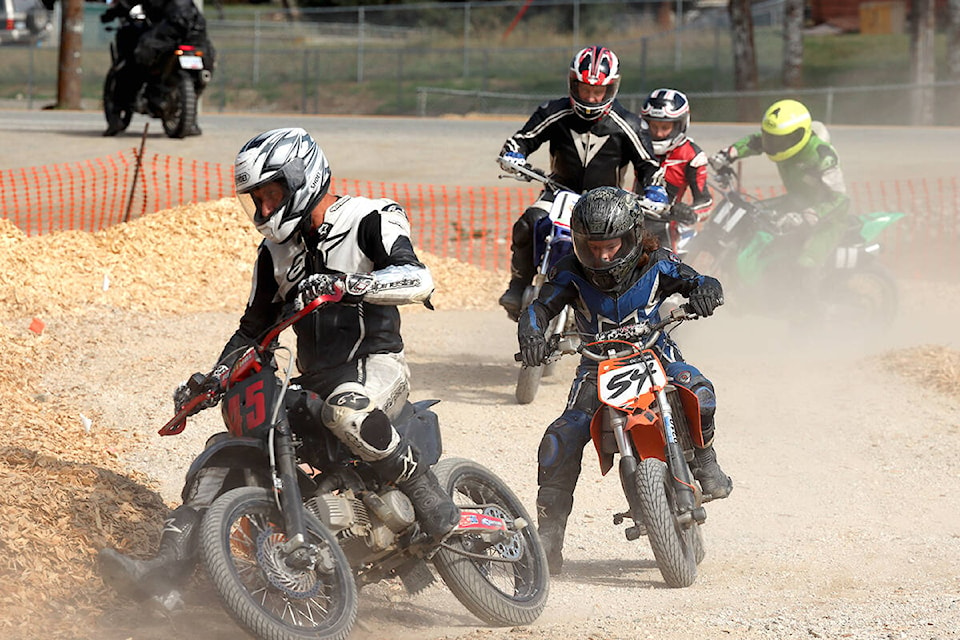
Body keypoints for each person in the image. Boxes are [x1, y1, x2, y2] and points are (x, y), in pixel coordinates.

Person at [98, 127, 460, 605]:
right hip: (313, 382)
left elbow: (417, 278)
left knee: (347, 410)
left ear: (301, 177)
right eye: (257, 200)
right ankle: (165, 574)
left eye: (271, 195)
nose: (264, 210)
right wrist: (210, 379)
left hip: (376, 366)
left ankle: (427, 492)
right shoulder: (273, 253)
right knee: (223, 451)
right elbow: (253, 330)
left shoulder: (372, 216)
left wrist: (347, 284)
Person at [517, 186, 732, 575]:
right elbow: (538, 308)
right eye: (592, 246)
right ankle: (548, 539)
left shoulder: (657, 263)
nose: (601, 255)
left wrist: (706, 292)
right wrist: (532, 334)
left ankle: (705, 461)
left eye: (611, 246)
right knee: (558, 440)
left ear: (632, 237)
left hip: (657, 355)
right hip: (595, 369)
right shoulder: (568, 270)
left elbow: (700, 280)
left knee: (701, 391)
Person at [497, 44, 660, 319]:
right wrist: (514, 153)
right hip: (559, 192)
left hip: (609, 202)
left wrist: (656, 191)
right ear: (573, 84)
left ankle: (623, 306)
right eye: (585, 89)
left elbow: (649, 165)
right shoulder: (554, 111)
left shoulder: (629, 124)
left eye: (599, 91)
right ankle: (518, 285)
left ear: (611, 89)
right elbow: (523, 139)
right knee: (527, 223)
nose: (592, 97)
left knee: (630, 247)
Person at [708, 99, 850, 281]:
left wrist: (809, 215)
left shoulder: (823, 156)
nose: (773, 145)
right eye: (770, 138)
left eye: (780, 140)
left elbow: (841, 200)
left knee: (804, 267)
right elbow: (754, 142)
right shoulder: (778, 141)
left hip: (829, 220)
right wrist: (727, 155)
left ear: (799, 135)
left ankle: (811, 307)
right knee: (752, 216)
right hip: (796, 202)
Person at [100, 0, 215, 136]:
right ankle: (191, 122)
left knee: (134, 61)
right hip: (195, 28)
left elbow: (127, 3)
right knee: (203, 64)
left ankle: (117, 114)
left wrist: (112, 13)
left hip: (170, 26)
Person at [639, 88, 713, 252]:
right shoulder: (637, 143)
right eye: (654, 126)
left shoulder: (692, 155)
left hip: (666, 226)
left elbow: (705, 202)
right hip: (631, 216)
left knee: (663, 266)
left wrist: (688, 212)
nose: (658, 133)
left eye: (665, 127)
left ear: (680, 124)